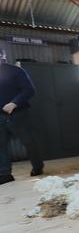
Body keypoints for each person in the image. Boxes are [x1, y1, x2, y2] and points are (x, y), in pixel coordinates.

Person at [0, 47, 44, 185]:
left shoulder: (15, 71)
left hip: (18, 113)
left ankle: (37, 166)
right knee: (0, 145)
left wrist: (14, 103)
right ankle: (5, 173)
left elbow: (29, 90)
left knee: (28, 141)